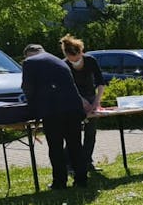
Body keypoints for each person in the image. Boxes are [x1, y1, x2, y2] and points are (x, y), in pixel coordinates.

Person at [21, 44, 88, 189]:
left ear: (28, 54)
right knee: (75, 145)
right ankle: (81, 179)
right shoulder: (58, 60)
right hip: (73, 108)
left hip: (53, 111)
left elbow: (28, 87)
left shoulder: (30, 62)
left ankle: (59, 182)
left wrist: (31, 109)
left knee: (56, 147)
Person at [60, 35, 104, 172]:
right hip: (73, 100)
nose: (76, 62)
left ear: (81, 52)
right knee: (73, 133)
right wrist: (81, 101)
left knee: (91, 132)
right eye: (73, 60)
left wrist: (96, 102)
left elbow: (100, 82)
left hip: (91, 98)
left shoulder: (91, 61)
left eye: (78, 58)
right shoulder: (64, 65)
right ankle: (69, 164)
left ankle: (87, 161)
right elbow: (68, 87)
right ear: (66, 55)